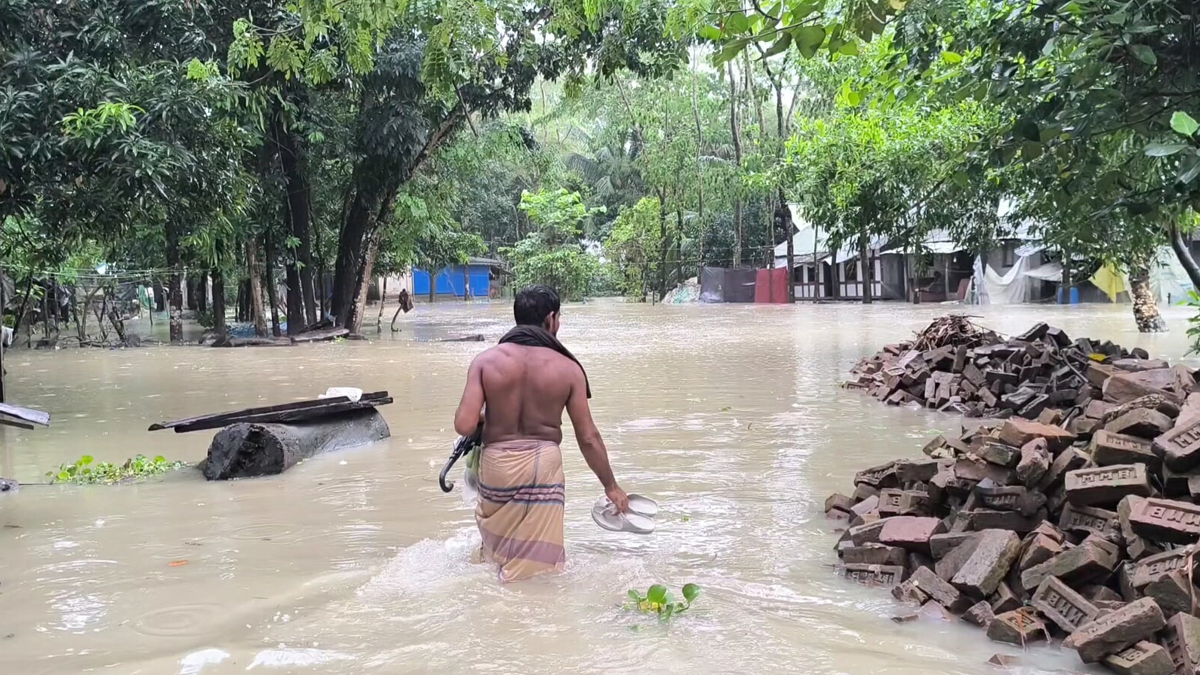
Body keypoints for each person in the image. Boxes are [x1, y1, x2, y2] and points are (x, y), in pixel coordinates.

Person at [453, 284, 628, 582]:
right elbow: (588, 437)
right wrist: (611, 485)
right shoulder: (568, 368)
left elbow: (464, 425)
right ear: (551, 319)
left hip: (496, 466)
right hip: (542, 467)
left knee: (497, 553)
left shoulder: (485, 362)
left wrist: (489, 416)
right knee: (540, 568)